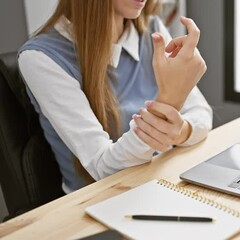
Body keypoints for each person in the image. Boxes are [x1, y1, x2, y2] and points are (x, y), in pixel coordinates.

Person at [18, 0, 212, 194]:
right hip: (101, 201)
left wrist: (176, 132)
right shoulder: (40, 57)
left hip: (163, 180)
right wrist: (170, 100)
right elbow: (105, 168)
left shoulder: (152, 29)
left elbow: (201, 114)